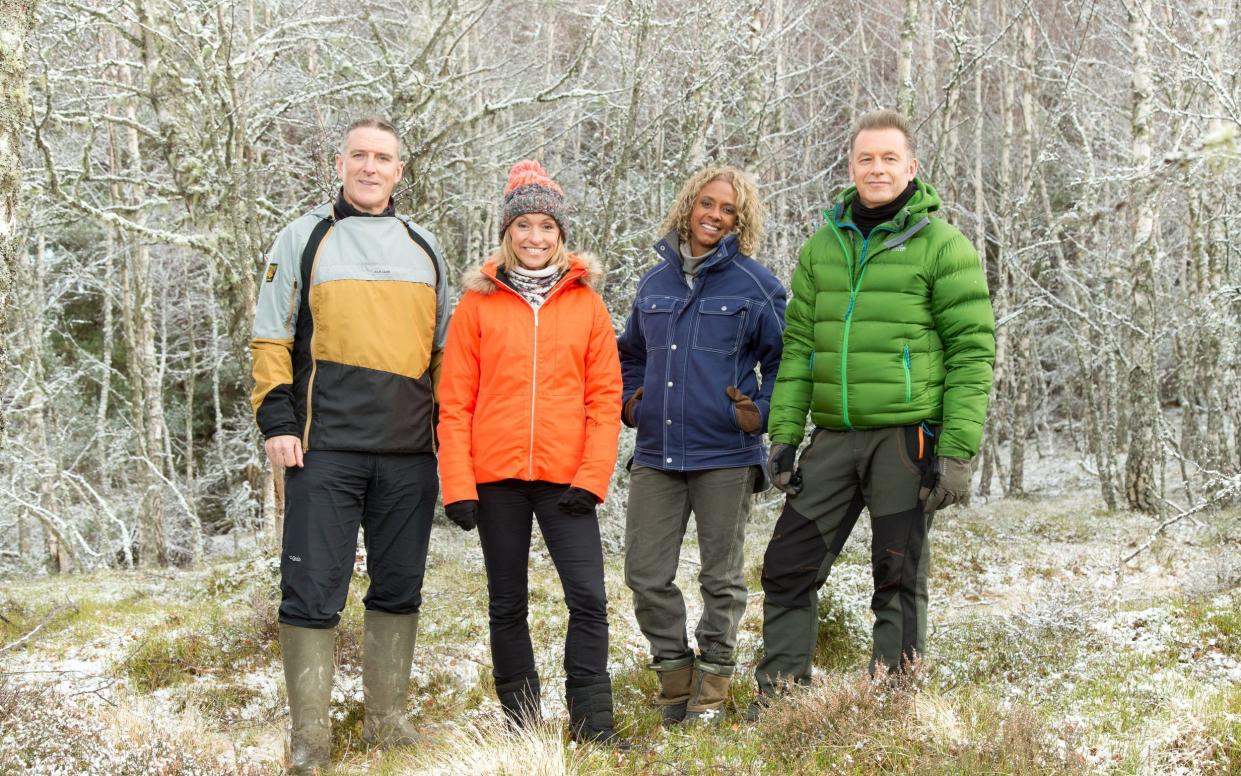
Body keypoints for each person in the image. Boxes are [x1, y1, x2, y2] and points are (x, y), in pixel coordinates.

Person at [750, 109, 995, 714]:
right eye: (867, 159)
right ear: (851, 167)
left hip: (906, 440)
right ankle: (782, 701)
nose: (877, 169)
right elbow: (800, 348)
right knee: (787, 566)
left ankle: (893, 707)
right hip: (833, 436)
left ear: (911, 168)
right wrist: (783, 436)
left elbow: (972, 353)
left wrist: (957, 450)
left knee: (897, 575)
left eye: (890, 159)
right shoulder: (821, 248)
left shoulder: (944, 246)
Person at [249, 117, 448, 773]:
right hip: (322, 447)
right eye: (359, 155)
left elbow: (445, 356)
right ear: (340, 163)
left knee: (399, 587)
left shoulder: (425, 246)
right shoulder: (303, 237)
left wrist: (451, 439)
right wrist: (276, 420)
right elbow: (270, 335)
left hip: (410, 452)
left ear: (399, 169)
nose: (370, 167)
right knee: (310, 592)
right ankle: (311, 740)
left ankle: (387, 724)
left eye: (382, 157)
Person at [436, 160, 627, 746]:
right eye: (524, 226)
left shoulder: (586, 305)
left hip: (568, 480)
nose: (535, 237)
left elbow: (606, 398)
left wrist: (592, 478)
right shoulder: (477, 305)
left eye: (546, 225)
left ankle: (593, 724)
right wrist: (459, 486)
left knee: (589, 599)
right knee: (507, 603)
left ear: (561, 234)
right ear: (507, 233)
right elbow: (453, 402)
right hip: (495, 482)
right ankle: (522, 727)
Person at [616, 166, 786, 726]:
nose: (715, 215)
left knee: (721, 578)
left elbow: (785, 361)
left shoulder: (756, 285)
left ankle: (711, 691)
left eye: (728, 209)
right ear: (689, 206)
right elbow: (631, 352)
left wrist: (757, 413)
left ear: (741, 220)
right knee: (644, 572)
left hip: (725, 456)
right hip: (657, 453)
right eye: (707, 204)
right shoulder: (653, 283)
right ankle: (674, 681)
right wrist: (632, 401)